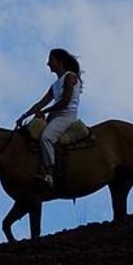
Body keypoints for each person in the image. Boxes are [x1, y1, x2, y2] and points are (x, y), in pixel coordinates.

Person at [15, 48, 82, 187]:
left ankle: (50, 173)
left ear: (60, 61)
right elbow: (41, 102)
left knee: (46, 137)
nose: (48, 64)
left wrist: (45, 111)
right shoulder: (55, 85)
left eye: (51, 60)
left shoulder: (70, 77)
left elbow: (65, 102)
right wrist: (24, 116)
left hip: (66, 117)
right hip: (54, 117)